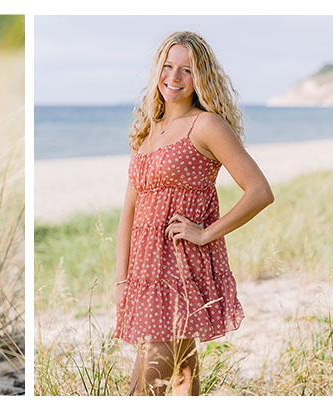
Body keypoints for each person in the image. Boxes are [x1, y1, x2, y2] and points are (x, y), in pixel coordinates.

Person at [114, 31, 273, 396]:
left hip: (182, 269)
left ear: (200, 77)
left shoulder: (207, 125)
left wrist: (205, 233)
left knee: (142, 391)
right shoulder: (148, 131)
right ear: (157, 72)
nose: (174, 77)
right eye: (168, 67)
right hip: (145, 272)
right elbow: (129, 212)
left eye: (187, 70)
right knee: (184, 374)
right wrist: (121, 281)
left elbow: (260, 192)